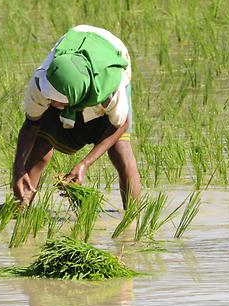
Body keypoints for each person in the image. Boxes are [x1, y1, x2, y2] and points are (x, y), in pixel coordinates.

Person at [12, 25, 142, 209]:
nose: (53, 103)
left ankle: (134, 218)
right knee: (42, 142)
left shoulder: (110, 88)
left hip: (110, 56)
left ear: (76, 98)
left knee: (121, 149)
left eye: (59, 101)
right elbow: (30, 125)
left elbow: (121, 124)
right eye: (51, 98)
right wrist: (17, 168)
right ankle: (21, 207)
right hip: (73, 62)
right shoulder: (43, 82)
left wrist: (84, 164)